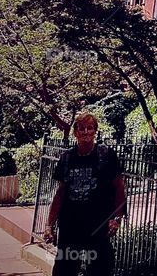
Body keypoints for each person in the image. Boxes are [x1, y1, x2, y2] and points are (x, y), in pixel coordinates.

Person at [44, 113, 126, 276]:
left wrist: (117, 218)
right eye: (82, 129)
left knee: (99, 269)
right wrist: (49, 225)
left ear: (95, 131)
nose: (86, 132)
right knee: (64, 269)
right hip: (70, 225)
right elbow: (60, 194)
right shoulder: (67, 158)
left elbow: (119, 187)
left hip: (98, 225)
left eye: (90, 128)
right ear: (75, 133)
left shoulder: (106, 155)